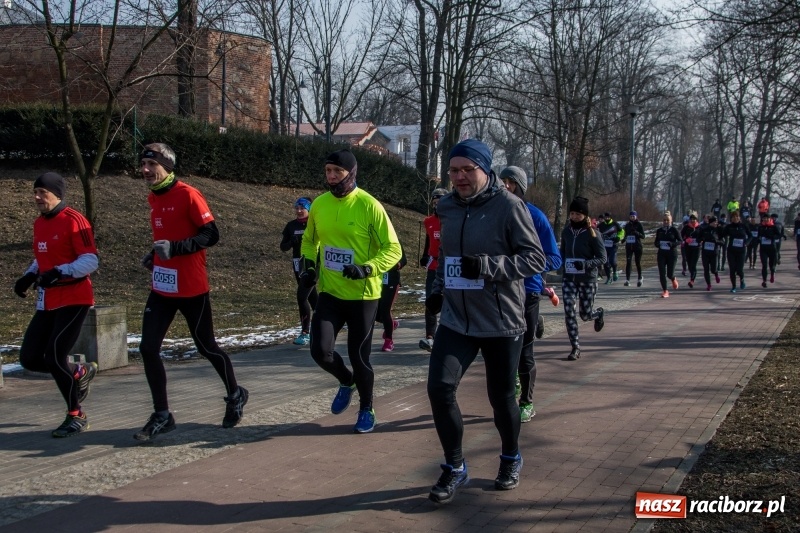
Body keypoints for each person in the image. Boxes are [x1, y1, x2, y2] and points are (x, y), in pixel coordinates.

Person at [425, 140, 545, 504]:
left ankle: (510, 458)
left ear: (485, 170)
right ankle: (455, 466)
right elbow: (447, 253)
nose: (460, 177)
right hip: (457, 318)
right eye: (454, 170)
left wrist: (490, 267)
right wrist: (440, 286)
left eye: (468, 170)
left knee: (501, 397)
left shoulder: (509, 207)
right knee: (439, 388)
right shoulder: (445, 206)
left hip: (500, 319)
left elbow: (535, 259)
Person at [135, 143, 249, 441]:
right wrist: (155, 255)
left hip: (191, 288)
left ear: (167, 167)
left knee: (207, 346)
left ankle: (235, 393)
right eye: (143, 165)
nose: (146, 170)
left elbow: (211, 234)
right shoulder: (154, 198)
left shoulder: (188, 194)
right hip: (162, 286)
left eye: (152, 165)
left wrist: (175, 249)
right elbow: (168, 235)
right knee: (148, 348)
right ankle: (162, 414)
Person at [299, 149, 402, 434]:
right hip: (331, 293)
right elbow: (309, 241)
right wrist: (309, 265)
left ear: (351, 173)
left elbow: (393, 250)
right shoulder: (319, 204)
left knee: (360, 357)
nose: (332, 177)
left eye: (337, 172)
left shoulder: (369, 206)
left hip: (363, 296)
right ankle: (346, 381)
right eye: (328, 171)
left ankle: (367, 407)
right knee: (320, 352)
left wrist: (367, 268)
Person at [14, 172, 99, 438]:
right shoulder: (40, 223)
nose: (38, 197)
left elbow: (90, 261)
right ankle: (79, 371)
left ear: (57, 194)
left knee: (54, 356)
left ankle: (76, 415)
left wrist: (59, 272)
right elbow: (43, 258)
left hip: (74, 298)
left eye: (43, 192)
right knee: (29, 358)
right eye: (35, 192)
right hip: (47, 300)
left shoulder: (74, 220)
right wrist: (29, 275)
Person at [500, 166, 562, 424]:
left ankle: (526, 401)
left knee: (525, 351)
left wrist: (526, 264)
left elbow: (554, 258)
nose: (503, 187)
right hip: (502, 293)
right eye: (501, 182)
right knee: (503, 351)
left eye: (508, 182)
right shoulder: (497, 214)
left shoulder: (535, 216)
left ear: (518, 186)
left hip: (528, 292)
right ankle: (509, 388)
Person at [560, 196, 607, 361]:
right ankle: (575, 347)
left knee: (585, 315)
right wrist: (560, 263)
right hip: (569, 279)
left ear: (585, 215)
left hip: (587, 279)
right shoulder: (566, 231)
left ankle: (598, 314)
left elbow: (602, 258)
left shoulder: (593, 234)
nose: (574, 217)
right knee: (569, 312)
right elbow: (563, 252)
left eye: (577, 214)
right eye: (572, 213)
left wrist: (585, 264)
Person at [280, 197, 317, 345]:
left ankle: (305, 332)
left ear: (309, 209)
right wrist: (291, 242)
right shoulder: (291, 226)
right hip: (298, 264)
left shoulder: (314, 224)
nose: (299, 211)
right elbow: (283, 247)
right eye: (297, 208)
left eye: (303, 208)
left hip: (312, 263)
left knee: (302, 297)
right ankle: (326, 325)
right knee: (313, 298)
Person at [419, 188, 448, 352]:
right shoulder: (428, 221)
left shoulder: (452, 219)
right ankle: (430, 336)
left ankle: (448, 335)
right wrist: (424, 255)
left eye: (440, 202)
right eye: (434, 203)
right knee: (430, 300)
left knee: (449, 302)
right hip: (433, 266)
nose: (437, 206)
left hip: (449, 266)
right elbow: (429, 238)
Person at [377, 242, 407, 352]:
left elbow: (404, 260)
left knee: (385, 310)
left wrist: (396, 265)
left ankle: (389, 341)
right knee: (375, 312)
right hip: (375, 279)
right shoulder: (370, 239)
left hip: (391, 279)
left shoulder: (394, 241)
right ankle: (391, 323)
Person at [654, 211, 681, 298]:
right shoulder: (659, 231)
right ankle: (665, 291)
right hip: (661, 254)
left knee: (669, 274)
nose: (666, 222)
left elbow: (680, 241)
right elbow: (656, 242)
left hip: (672, 254)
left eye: (667, 220)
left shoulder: (674, 230)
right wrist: (657, 244)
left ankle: (673, 278)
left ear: (671, 221)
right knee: (662, 273)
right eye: (664, 220)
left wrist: (672, 244)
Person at [722, 211, 750, 292]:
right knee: (732, 269)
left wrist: (747, 243)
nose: (735, 218)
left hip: (741, 251)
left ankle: (742, 280)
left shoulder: (744, 226)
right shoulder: (729, 227)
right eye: (733, 217)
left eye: (737, 217)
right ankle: (733, 286)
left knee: (739, 269)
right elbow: (722, 235)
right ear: (731, 219)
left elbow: (750, 236)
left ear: (739, 218)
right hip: (731, 251)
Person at [698, 216, 723, 291]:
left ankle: (716, 274)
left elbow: (723, 242)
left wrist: (717, 241)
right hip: (705, 252)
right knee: (706, 269)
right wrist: (701, 239)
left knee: (713, 269)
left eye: (716, 222)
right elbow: (698, 239)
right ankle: (709, 285)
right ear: (710, 222)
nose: (716, 223)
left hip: (714, 253)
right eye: (714, 222)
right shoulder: (704, 230)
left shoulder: (719, 230)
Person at [597, 212, 623, 284]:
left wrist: (618, 237)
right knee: (605, 262)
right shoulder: (601, 225)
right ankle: (608, 278)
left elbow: (622, 231)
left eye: (608, 217)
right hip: (604, 246)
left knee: (612, 261)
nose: (607, 218)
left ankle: (614, 272)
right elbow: (596, 233)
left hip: (613, 245)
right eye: (606, 217)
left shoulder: (615, 224)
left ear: (610, 217)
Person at [757, 213, 781, 288]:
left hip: (772, 249)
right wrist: (759, 238)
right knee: (764, 265)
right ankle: (764, 281)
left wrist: (772, 237)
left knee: (771, 265)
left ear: (769, 219)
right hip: (763, 249)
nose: (765, 220)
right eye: (764, 219)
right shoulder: (761, 227)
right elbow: (758, 236)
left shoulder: (773, 227)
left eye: (766, 218)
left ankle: (772, 274)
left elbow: (779, 235)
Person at [623, 211, 645, 287]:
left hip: (637, 246)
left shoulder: (639, 225)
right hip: (629, 246)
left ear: (636, 217)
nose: (632, 217)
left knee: (637, 262)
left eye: (633, 216)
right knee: (628, 262)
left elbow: (643, 236)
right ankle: (627, 280)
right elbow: (626, 234)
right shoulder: (627, 225)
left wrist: (636, 232)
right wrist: (624, 239)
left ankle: (640, 278)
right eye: (631, 216)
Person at [680, 213, 702, 288]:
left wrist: (700, 240)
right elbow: (681, 235)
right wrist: (686, 239)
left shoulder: (699, 227)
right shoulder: (686, 227)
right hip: (688, 248)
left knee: (693, 264)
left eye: (694, 219)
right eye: (691, 219)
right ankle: (691, 274)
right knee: (689, 265)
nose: (692, 220)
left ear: (696, 220)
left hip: (696, 248)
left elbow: (703, 236)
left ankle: (692, 280)